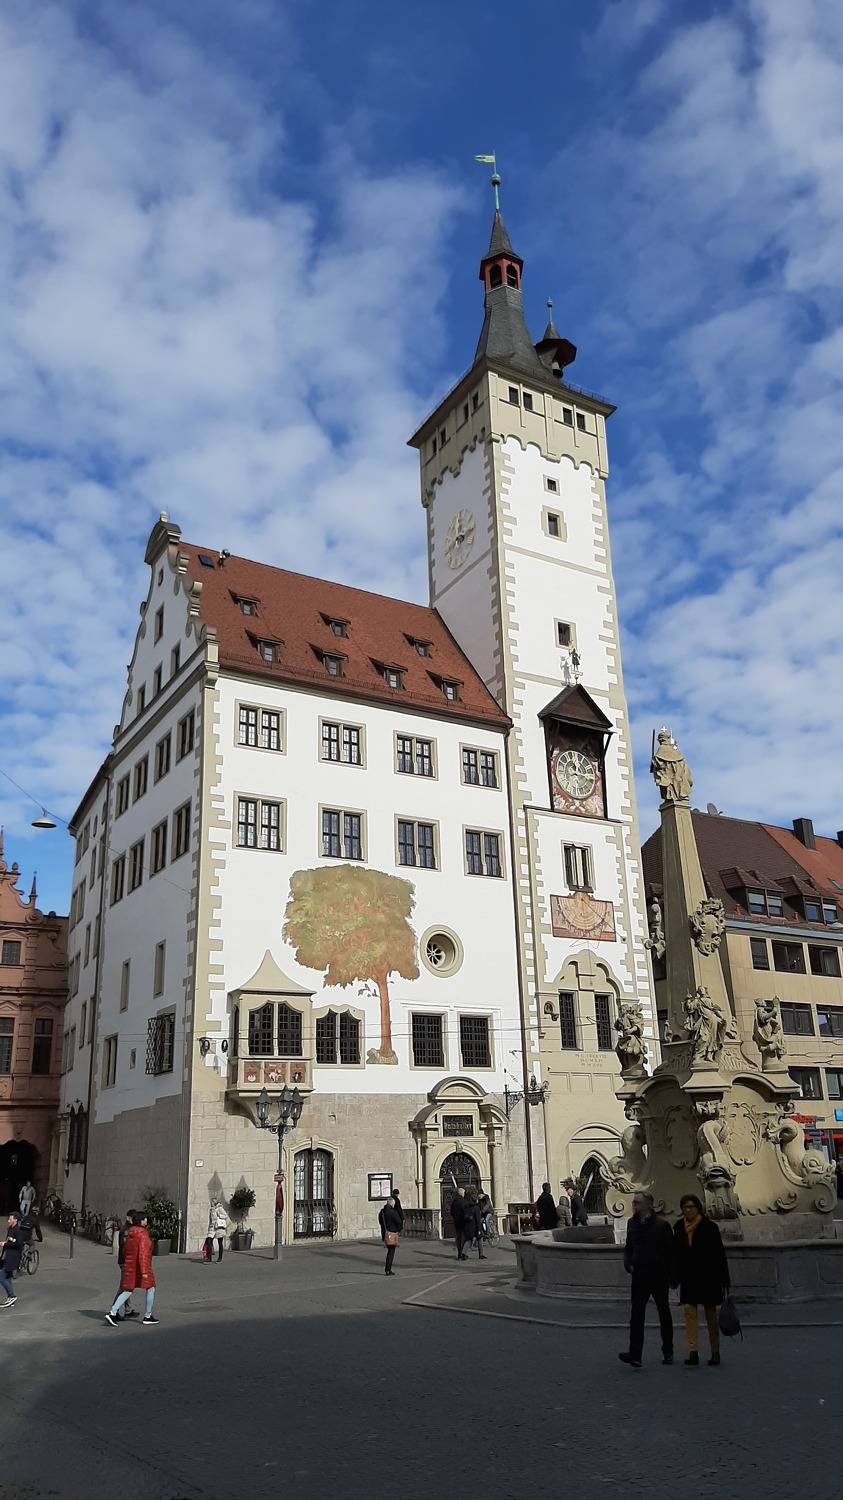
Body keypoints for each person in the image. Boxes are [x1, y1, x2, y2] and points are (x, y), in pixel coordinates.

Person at [673, 1193, 730, 1367]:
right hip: (689, 1278)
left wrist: (724, 1280)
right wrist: (674, 1276)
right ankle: (693, 1352)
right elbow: (675, 1254)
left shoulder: (709, 1227)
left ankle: (715, 1352)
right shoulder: (679, 1227)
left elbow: (719, 1255)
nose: (688, 1210)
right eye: (685, 1207)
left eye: (691, 1207)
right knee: (689, 1313)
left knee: (711, 1316)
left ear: (698, 1208)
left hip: (708, 1278)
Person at [619, 1191, 674, 1369]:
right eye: (634, 1202)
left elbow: (670, 1252)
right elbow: (629, 1246)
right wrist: (628, 1263)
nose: (634, 1205)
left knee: (664, 1313)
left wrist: (671, 1275)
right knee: (636, 1315)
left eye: (638, 1202)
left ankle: (668, 1351)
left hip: (658, 1275)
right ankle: (635, 1354)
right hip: (639, 1275)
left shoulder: (661, 1225)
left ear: (648, 1204)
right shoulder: (631, 1223)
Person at [105, 1210, 158, 1326]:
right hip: (141, 1266)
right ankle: (148, 1315)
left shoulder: (130, 1233)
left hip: (130, 1265)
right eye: (145, 1219)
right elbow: (143, 1254)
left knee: (128, 1289)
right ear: (142, 1221)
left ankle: (113, 1312)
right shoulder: (143, 1234)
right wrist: (144, 1271)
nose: (146, 1221)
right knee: (151, 1288)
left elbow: (125, 1250)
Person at [113, 1212, 138, 1320]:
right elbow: (125, 1248)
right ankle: (114, 1311)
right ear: (129, 1218)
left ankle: (128, 1309)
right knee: (124, 1287)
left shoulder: (128, 1229)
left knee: (127, 1286)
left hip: (124, 1261)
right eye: (134, 1218)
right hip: (125, 1262)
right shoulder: (126, 1231)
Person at [0, 1213, 24, 1307]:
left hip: (13, 1258)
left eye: (10, 1219)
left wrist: (5, 1244)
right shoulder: (10, 1229)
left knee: (1, 1277)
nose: (8, 1221)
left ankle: (12, 1296)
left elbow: (19, 1244)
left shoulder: (18, 1231)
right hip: (7, 1257)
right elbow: (9, 1241)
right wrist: (5, 1243)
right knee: (7, 1277)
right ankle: (11, 1299)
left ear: (15, 1220)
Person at [379, 1196, 402, 1276]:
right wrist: (398, 1229)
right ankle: (388, 1269)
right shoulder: (393, 1212)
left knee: (389, 1251)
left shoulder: (382, 1212)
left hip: (385, 1234)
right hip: (392, 1234)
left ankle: (388, 1269)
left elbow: (381, 1222)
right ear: (392, 1204)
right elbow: (399, 1222)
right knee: (391, 1252)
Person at [461, 1189, 486, 1260]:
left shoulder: (466, 1206)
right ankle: (481, 1254)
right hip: (475, 1227)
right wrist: (479, 1229)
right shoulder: (476, 1207)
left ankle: (463, 1253)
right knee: (479, 1239)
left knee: (469, 1240)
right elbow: (478, 1219)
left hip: (468, 1226)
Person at [204, 1198, 228, 1262]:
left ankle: (220, 1258)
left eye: (211, 1202)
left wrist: (219, 1215)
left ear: (214, 1202)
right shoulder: (211, 1209)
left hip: (219, 1227)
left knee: (220, 1242)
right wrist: (209, 1227)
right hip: (212, 1228)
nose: (210, 1203)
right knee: (209, 1241)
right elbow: (210, 1220)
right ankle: (209, 1258)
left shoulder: (219, 1208)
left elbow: (225, 1215)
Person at [450, 1188, 467, 1259]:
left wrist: (455, 1217)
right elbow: (464, 1211)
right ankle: (462, 1253)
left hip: (456, 1221)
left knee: (458, 1237)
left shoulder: (454, 1201)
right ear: (462, 1193)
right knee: (463, 1238)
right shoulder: (463, 1201)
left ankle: (459, 1253)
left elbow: (451, 1212)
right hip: (463, 1221)